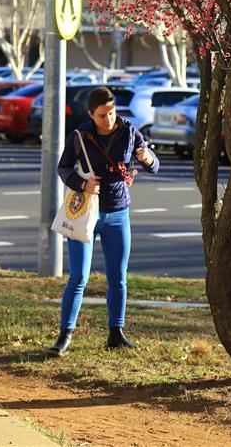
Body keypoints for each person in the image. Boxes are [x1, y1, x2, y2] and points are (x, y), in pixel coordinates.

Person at [49, 86, 159, 355]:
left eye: (111, 112)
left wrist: (147, 158)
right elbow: (63, 168)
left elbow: (154, 166)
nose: (108, 118)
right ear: (90, 114)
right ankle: (64, 335)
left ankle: (116, 333)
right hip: (87, 213)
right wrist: (82, 184)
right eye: (102, 115)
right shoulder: (80, 136)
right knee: (79, 276)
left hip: (118, 214)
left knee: (118, 277)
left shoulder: (129, 131)